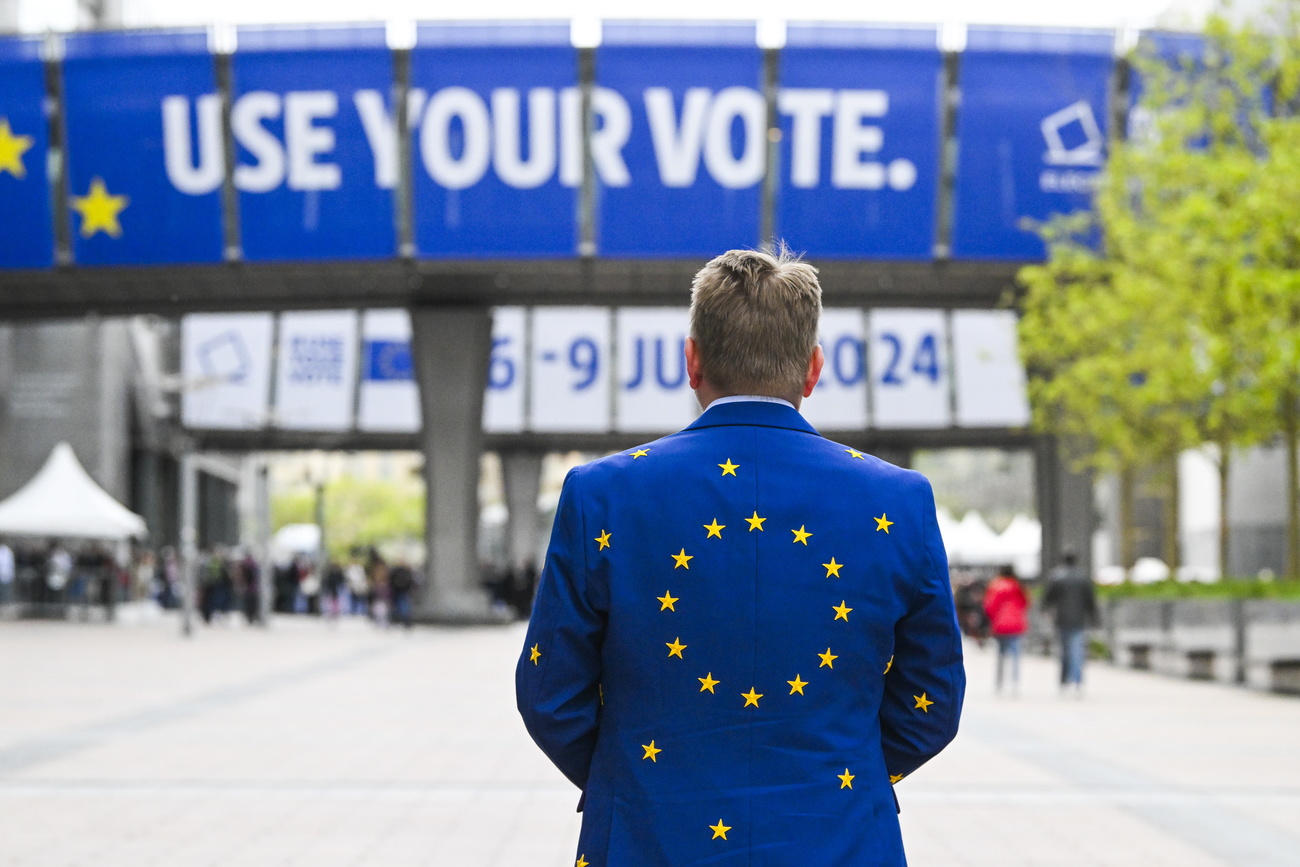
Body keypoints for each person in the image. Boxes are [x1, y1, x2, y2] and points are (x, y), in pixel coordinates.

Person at [516, 248, 965, 865]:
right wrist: (838, 780)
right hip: (840, 837)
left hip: (649, 838)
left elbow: (549, 693)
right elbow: (931, 704)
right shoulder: (899, 500)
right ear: (813, 369)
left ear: (692, 360)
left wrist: (640, 782)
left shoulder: (602, 495)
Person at [1041, 548, 1098, 694]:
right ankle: (1078, 680)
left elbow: (1048, 598)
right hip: (1079, 619)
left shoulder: (1057, 577)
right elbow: (1090, 601)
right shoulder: (1082, 577)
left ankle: (1064, 679)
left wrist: (1045, 610)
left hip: (1061, 619)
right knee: (1077, 651)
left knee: (1064, 651)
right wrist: (1094, 618)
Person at [982, 565, 1030, 695]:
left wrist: (993, 618)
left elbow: (989, 606)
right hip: (1016, 624)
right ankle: (1015, 682)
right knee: (1015, 655)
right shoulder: (1019, 586)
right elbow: (1026, 602)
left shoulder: (996, 586)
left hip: (1000, 625)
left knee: (1000, 655)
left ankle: (999, 682)